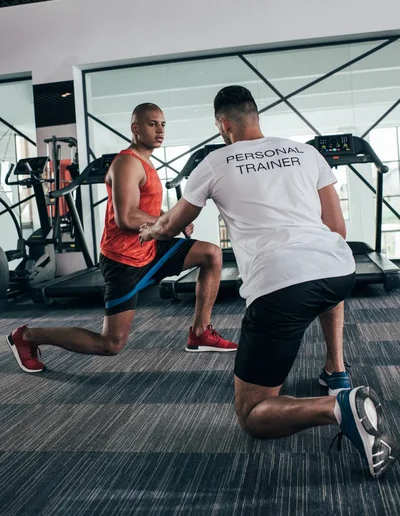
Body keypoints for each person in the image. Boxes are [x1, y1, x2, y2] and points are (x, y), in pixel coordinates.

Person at [138, 87, 398, 478]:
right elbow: (337, 230)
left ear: (223, 124)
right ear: (255, 116)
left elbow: (173, 225)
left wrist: (150, 230)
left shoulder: (215, 161)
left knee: (254, 416)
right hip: (339, 273)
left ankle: (339, 406)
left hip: (279, 288)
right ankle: (335, 369)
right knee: (321, 265)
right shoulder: (307, 153)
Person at [7, 102, 237, 374]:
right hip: (124, 260)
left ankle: (199, 333)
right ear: (135, 129)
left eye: (163, 124)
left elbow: (146, 209)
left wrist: (169, 218)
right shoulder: (128, 163)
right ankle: (27, 336)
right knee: (111, 344)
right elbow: (126, 218)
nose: (160, 130)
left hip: (150, 248)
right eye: (152, 124)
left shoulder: (146, 163)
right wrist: (171, 221)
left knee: (211, 253)